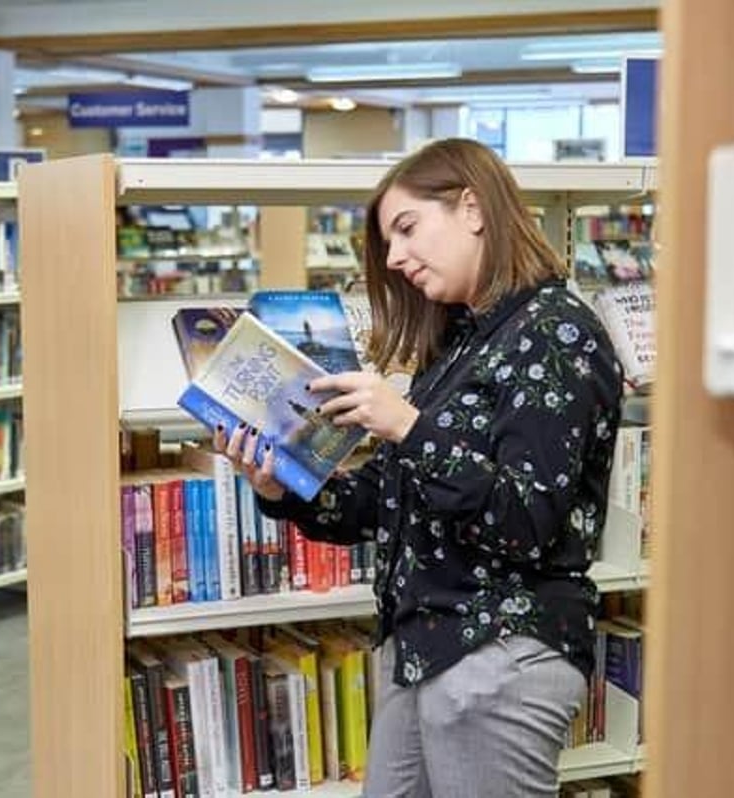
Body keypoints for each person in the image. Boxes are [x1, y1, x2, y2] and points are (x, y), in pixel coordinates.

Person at [215, 138, 624, 797]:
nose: (398, 258)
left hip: (498, 650)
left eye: (407, 229)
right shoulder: (461, 343)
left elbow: (527, 521)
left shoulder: (554, 331)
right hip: (423, 649)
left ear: (471, 208)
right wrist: (282, 484)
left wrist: (405, 423)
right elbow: (382, 503)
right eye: (389, 243)